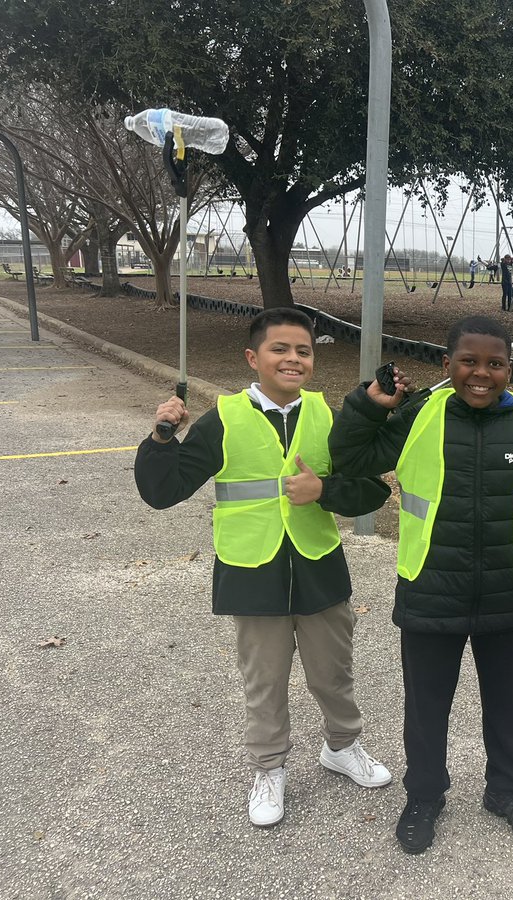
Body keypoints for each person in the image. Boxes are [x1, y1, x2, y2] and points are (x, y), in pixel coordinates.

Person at [134, 307, 395, 828]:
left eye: (303, 350)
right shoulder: (224, 418)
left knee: (333, 673)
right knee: (265, 680)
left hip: (320, 568)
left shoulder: (328, 417)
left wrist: (325, 491)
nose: (292, 359)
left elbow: (371, 489)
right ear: (254, 358)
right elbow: (162, 491)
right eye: (280, 349)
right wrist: (163, 436)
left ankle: (342, 747)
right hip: (251, 571)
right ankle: (269, 768)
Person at [329, 315, 513, 855]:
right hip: (430, 591)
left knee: (508, 704)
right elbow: (350, 458)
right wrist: (371, 405)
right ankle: (424, 797)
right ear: (447, 364)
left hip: (511, 594)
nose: (481, 373)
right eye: (469, 361)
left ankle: (508, 789)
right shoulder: (420, 415)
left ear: (510, 368)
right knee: (427, 706)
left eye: (495, 363)